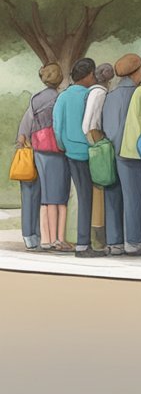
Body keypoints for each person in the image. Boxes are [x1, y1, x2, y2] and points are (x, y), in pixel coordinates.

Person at [102, 53, 141, 256]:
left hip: (110, 151)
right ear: (137, 71)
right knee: (134, 197)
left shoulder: (110, 96)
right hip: (130, 152)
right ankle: (133, 242)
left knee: (113, 196)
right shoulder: (139, 93)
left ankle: (114, 243)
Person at [16, 63, 69, 252]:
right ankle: (52, 238)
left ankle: (32, 236)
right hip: (56, 150)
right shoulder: (61, 98)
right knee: (54, 196)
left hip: (36, 149)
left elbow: (26, 124)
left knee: (34, 194)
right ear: (60, 78)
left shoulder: (36, 98)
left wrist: (22, 142)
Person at [54, 58, 101, 257]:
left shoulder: (63, 97)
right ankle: (84, 244)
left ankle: (83, 241)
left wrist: (63, 145)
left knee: (80, 197)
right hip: (89, 151)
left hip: (71, 151)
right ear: (89, 75)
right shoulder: (90, 96)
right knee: (87, 197)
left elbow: (57, 126)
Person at [83, 62, 123, 254]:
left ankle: (103, 239)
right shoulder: (100, 94)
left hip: (93, 142)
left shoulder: (93, 92)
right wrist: (102, 142)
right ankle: (102, 240)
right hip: (98, 143)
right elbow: (92, 123)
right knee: (103, 189)